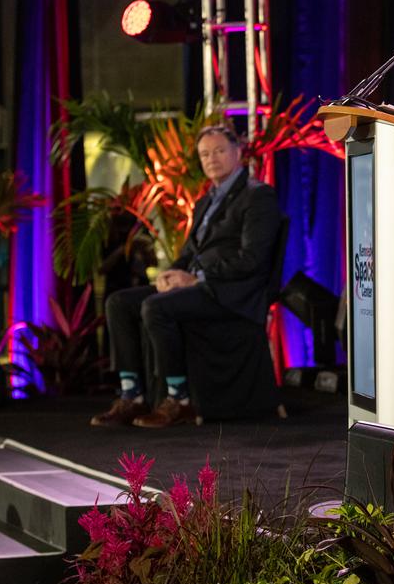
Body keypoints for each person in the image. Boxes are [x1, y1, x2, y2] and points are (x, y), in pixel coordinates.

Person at [91, 125, 281, 428]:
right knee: (118, 302)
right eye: (205, 154)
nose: (212, 159)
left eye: (219, 151)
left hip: (232, 292)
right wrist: (171, 273)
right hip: (202, 285)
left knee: (155, 307)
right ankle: (133, 395)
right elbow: (191, 250)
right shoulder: (208, 199)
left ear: (238, 152)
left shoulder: (257, 196)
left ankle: (179, 400)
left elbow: (252, 260)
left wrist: (198, 277)